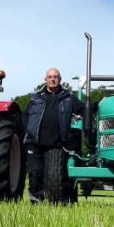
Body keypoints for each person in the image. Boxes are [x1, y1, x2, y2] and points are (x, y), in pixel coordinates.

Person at [24, 68, 83, 202]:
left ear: (60, 80)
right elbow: (25, 115)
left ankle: (56, 201)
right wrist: (28, 131)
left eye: (55, 77)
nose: (52, 79)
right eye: (50, 77)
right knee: (35, 173)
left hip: (56, 144)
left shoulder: (68, 98)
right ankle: (36, 203)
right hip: (35, 142)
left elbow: (83, 109)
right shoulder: (35, 98)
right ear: (45, 80)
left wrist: (97, 106)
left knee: (55, 175)